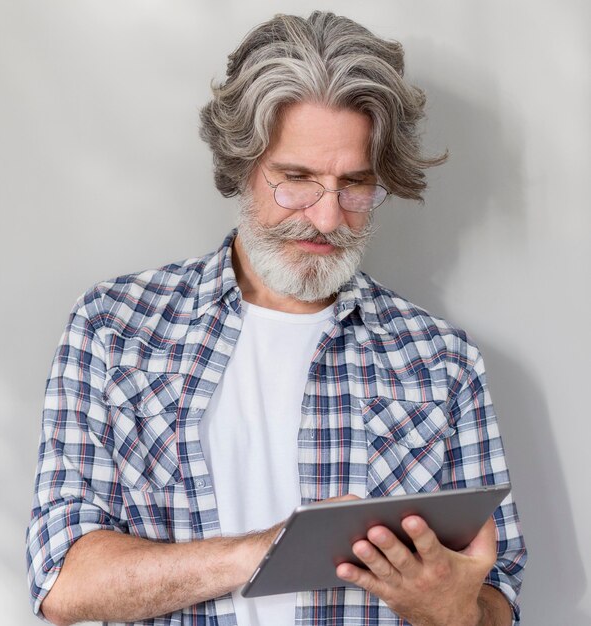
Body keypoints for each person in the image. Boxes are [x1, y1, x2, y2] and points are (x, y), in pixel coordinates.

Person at [26, 11, 526, 626]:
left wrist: (452, 610)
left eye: (355, 186)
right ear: (241, 165)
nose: (325, 217)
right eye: (296, 180)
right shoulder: (115, 327)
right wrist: (270, 550)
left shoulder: (442, 360)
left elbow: (497, 596)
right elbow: (62, 582)